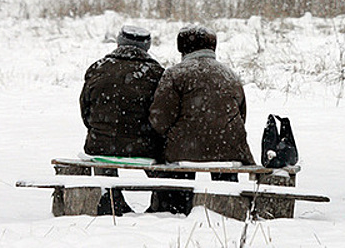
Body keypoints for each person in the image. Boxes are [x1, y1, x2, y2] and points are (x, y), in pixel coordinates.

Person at [148, 24, 255, 214]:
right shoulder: (229, 75)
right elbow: (241, 115)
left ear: (182, 48)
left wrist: (177, 136)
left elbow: (160, 119)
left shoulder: (175, 74)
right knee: (223, 166)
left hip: (184, 150)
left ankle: (174, 208)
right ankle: (229, 207)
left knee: (176, 166)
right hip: (229, 149)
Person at [80, 25, 165, 215]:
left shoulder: (98, 68)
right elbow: (162, 116)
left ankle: (110, 198)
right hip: (145, 146)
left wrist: (101, 129)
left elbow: (86, 110)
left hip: (100, 144)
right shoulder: (156, 73)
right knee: (164, 163)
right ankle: (162, 204)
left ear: (119, 42)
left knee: (102, 154)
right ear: (147, 47)